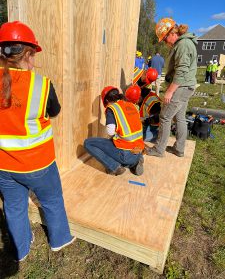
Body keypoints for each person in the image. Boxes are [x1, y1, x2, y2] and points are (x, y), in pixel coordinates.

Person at [0, 21, 75, 262]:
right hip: (38, 164)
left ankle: (21, 250)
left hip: (3, 167)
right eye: (33, 56)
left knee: (13, 207)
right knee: (52, 199)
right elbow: (54, 111)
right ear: (28, 53)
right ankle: (59, 239)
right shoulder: (41, 84)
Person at [147, 17, 197, 158]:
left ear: (171, 33)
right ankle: (179, 148)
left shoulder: (183, 44)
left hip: (181, 87)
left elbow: (182, 71)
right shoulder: (183, 43)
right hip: (185, 86)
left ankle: (159, 149)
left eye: (164, 39)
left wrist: (169, 91)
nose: (164, 42)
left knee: (165, 117)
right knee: (179, 117)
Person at [84, 86, 144, 176]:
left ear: (107, 101)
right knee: (114, 142)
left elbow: (110, 132)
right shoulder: (133, 106)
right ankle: (134, 163)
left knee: (88, 143)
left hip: (125, 153)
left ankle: (115, 166)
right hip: (138, 150)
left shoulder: (112, 108)